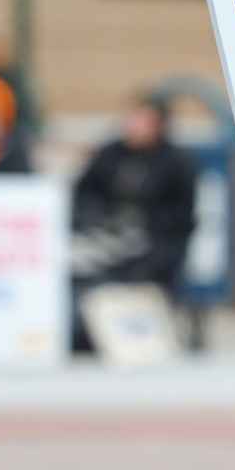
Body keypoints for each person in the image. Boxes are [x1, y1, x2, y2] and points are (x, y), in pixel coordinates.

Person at [71, 94, 197, 351]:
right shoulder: (110, 155)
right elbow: (83, 194)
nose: (134, 126)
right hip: (107, 237)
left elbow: (182, 215)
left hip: (155, 244)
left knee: (141, 269)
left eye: (143, 120)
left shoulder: (175, 162)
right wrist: (98, 222)